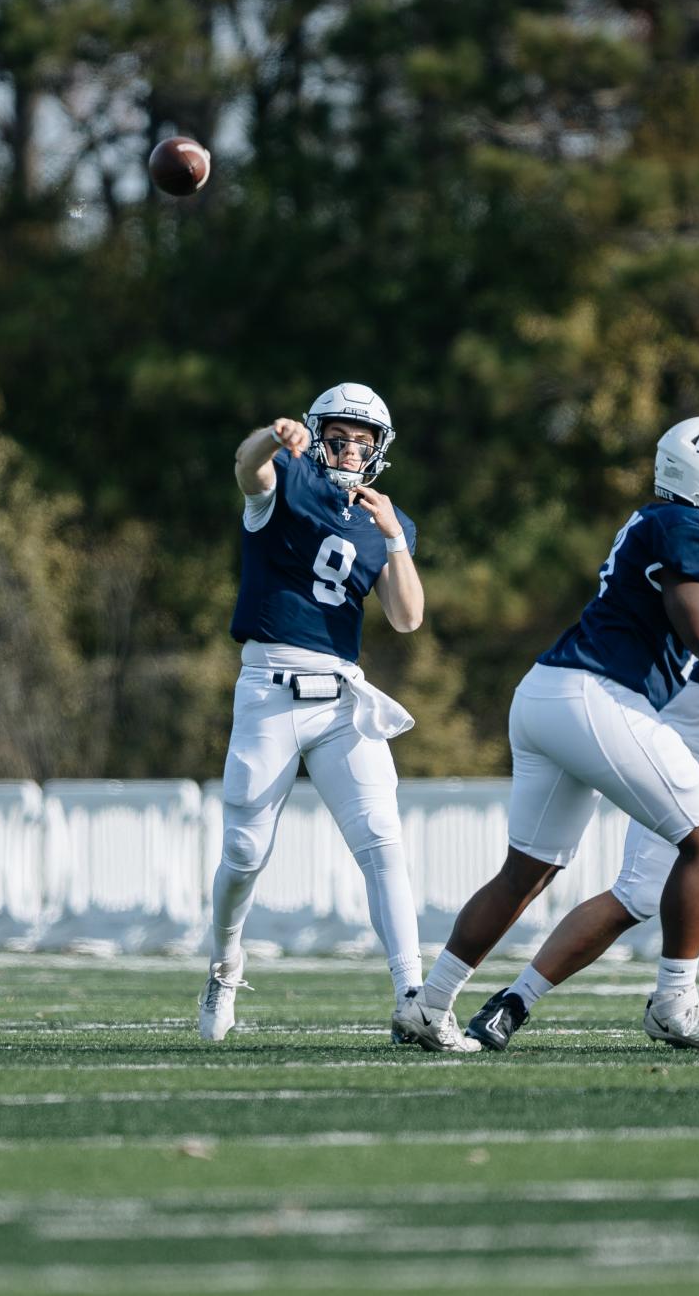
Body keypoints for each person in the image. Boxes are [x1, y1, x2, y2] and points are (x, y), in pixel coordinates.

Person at [419, 416, 699, 1052]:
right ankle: (677, 1002)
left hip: (546, 692)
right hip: (598, 693)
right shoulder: (692, 526)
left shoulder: (662, 522)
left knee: (528, 870)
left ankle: (428, 1005)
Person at [201, 384, 444, 1046]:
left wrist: (394, 538)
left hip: (341, 697)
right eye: (339, 435)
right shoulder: (286, 478)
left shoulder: (385, 519)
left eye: (363, 440)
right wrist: (270, 436)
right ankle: (224, 966)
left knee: (383, 844)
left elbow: (407, 616)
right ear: (315, 433)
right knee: (245, 852)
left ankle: (412, 996)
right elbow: (244, 466)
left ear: (378, 451)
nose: (349, 449)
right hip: (270, 689)